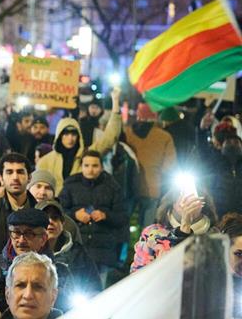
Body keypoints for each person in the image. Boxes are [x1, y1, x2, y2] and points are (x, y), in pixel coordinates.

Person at [36, 86, 122, 194]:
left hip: (80, 208)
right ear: (59, 136)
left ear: (79, 136)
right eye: (66, 134)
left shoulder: (86, 156)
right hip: (53, 208)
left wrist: (115, 101)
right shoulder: (46, 161)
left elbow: (110, 138)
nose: (70, 138)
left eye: (74, 134)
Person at [58, 150, 127, 278]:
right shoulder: (70, 186)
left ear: (101, 167)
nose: (90, 169)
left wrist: (106, 216)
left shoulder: (113, 187)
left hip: (103, 249)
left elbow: (122, 217)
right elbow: (58, 211)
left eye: (95, 166)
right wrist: (74, 215)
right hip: (76, 247)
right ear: (81, 166)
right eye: (86, 165)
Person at [131, 187, 218, 272]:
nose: (186, 201)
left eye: (192, 197)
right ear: (172, 203)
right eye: (181, 196)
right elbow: (137, 274)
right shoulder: (152, 233)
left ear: (201, 204)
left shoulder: (215, 235)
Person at [126, 104, 178, 227]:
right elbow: (170, 166)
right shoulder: (164, 136)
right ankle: (143, 245)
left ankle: (124, 246)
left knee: (124, 223)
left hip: (128, 185)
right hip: (152, 187)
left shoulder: (127, 132)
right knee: (147, 227)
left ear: (138, 116)